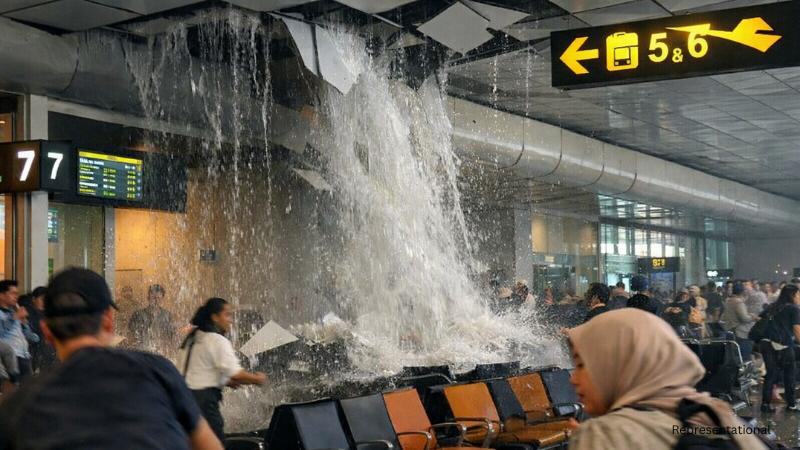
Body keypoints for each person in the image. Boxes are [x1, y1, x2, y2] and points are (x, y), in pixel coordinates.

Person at [0, 267, 223, 450]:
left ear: (46, 331)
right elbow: (208, 445)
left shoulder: (18, 405)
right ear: (109, 320)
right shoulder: (159, 372)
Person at [566, 309, 767, 450]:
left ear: (617, 366)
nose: (573, 379)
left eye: (582, 365)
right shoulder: (714, 413)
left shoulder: (608, 435)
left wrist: (590, 439)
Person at [178, 298, 267, 440]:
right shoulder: (217, 340)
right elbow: (237, 374)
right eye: (227, 315)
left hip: (183, 402)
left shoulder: (191, 339)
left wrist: (225, 380)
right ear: (215, 317)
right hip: (205, 405)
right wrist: (258, 379)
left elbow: (197, 370)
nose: (231, 320)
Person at [759, 284, 800, 413]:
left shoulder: (772, 306)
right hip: (784, 345)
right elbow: (797, 330)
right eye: (798, 294)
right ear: (792, 295)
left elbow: (760, 318)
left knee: (770, 374)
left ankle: (765, 404)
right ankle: (791, 404)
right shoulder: (793, 309)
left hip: (766, 343)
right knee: (789, 375)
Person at [0, 280, 39, 382]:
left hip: (24, 355)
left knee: (27, 390)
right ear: (2, 295)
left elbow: (29, 336)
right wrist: (15, 317)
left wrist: (25, 324)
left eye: (17, 293)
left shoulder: (14, 312)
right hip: (8, 358)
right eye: (12, 293)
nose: (16, 296)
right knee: (11, 389)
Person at [128, 284, 177, 353]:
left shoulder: (167, 315)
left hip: (161, 351)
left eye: (159, 298)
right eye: (153, 297)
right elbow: (132, 334)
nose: (156, 301)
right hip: (142, 352)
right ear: (148, 297)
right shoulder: (138, 314)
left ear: (162, 299)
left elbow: (171, 336)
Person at [22, 286, 57, 373]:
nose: (45, 302)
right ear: (34, 299)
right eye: (42, 299)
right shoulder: (27, 312)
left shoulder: (48, 313)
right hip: (33, 345)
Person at [720, 282, 758, 360]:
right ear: (742, 291)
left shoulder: (728, 301)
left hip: (730, 330)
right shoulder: (738, 302)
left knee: (734, 356)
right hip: (740, 333)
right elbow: (744, 318)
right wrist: (753, 317)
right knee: (745, 356)